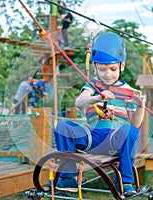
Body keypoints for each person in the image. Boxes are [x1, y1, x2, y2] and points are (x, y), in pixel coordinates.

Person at [53, 32, 145, 196]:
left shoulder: (129, 91)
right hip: (92, 138)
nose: (107, 74)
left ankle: (125, 181)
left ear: (122, 66)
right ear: (95, 67)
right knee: (63, 126)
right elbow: (79, 103)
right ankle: (68, 178)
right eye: (102, 69)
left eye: (113, 69)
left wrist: (140, 106)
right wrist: (97, 97)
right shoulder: (92, 85)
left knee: (130, 131)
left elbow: (135, 125)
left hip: (115, 140)